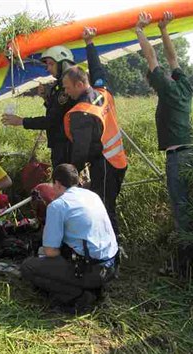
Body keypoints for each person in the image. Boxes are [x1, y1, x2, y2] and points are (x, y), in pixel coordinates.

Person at [135, 12, 193, 274]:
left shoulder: (168, 89)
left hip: (178, 157)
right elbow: (173, 58)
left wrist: (140, 30)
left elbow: (153, 58)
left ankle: (184, 266)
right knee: (190, 208)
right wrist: (163, 29)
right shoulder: (184, 86)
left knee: (181, 210)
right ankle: (191, 260)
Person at [21, 164, 118, 314]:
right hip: (111, 266)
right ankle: (91, 286)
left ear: (57, 184)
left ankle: (78, 295)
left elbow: (51, 252)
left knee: (28, 267)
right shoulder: (92, 195)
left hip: (91, 271)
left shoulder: (58, 205)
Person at [61, 27, 128, 237]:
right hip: (118, 161)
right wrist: (89, 43)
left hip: (105, 164)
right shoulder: (102, 92)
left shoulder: (82, 112)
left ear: (80, 84)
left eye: (68, 87)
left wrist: (69, 176)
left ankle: (112, 255)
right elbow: (97, 70)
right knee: (107, 204)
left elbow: (80, 151)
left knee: (105, 208)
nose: (66, 92)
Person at [1, 45, 77, 168]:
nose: (48, 69)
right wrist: (45, 98)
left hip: (66, 145)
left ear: (63, 64)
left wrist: (21, 121)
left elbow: (52, 121)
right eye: (47, 65)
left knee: (64, 183)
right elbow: (57, 111)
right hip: (59, 143)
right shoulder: (59, 85)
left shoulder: (68, 88)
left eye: (51, 64)